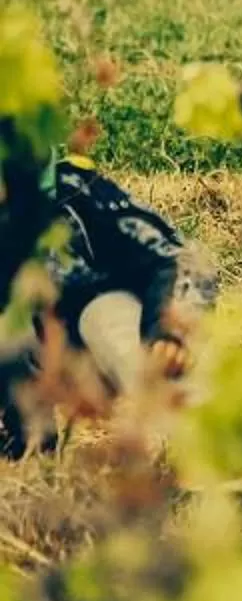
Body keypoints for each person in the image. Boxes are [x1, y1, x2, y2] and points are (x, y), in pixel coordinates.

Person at [0, 157, 216, 456]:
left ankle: (208, 446)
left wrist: (168, 334)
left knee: (109, 319)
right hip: (26, 353)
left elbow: (178, 258)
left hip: (99, 333)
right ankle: (28, 443)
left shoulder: (76, 193)